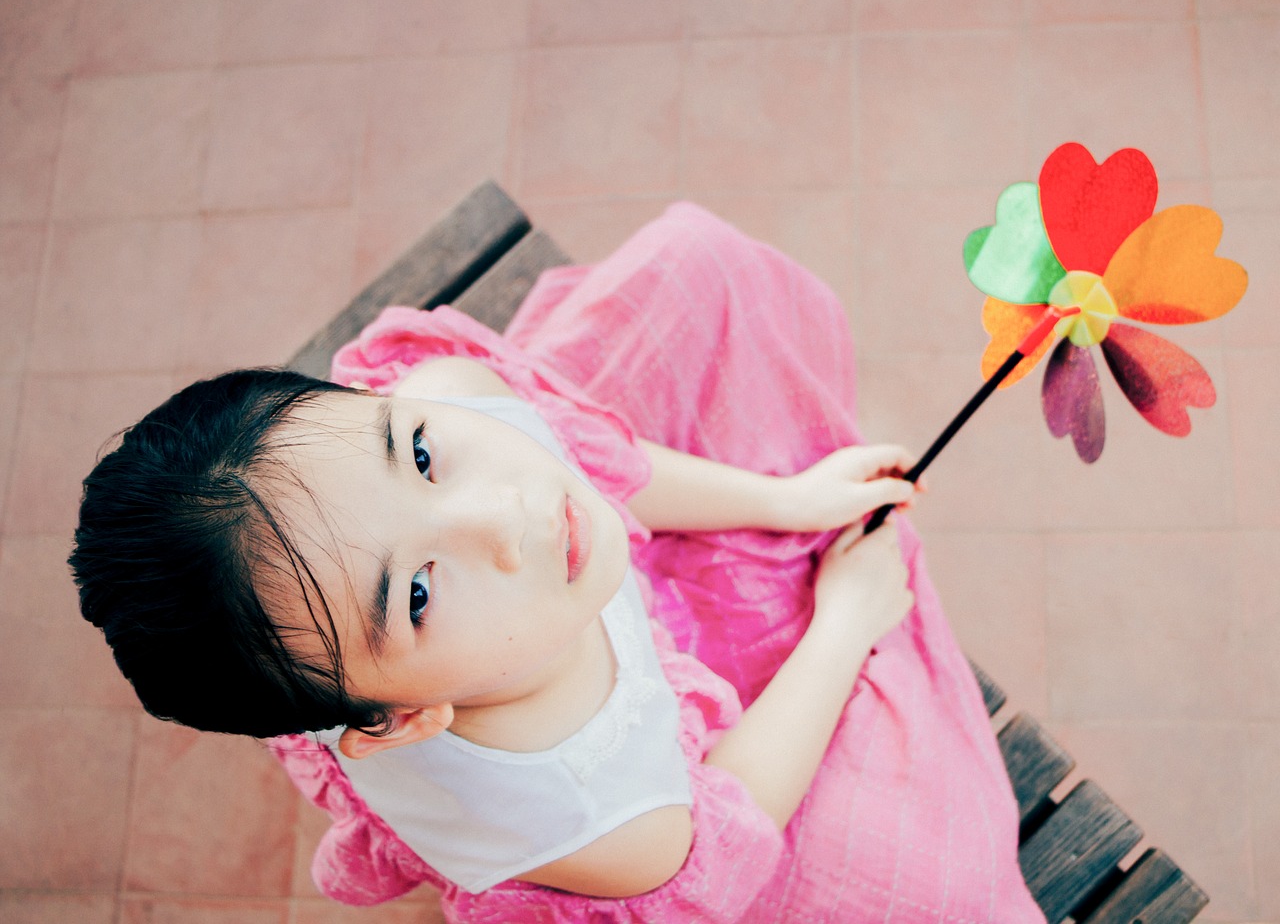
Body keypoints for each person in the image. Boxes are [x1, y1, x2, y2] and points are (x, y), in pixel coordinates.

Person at [70, 203, 1044, 922]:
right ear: (402, 716)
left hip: (537, 640)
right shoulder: (596, 815)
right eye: (414, 592)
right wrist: (841, 624)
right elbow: (736, 802)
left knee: (695, 268)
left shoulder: (448, 396)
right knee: (922, 881)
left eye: (414, 453)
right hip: (633, 771)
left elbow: (595, 465)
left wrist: (785, 503)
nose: (507, 511)